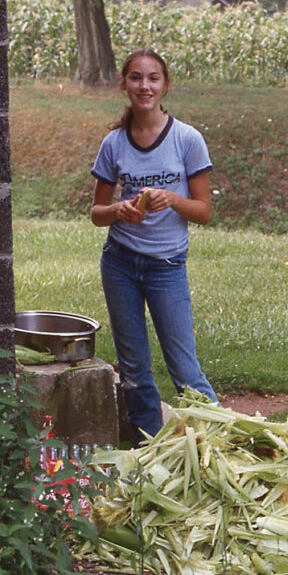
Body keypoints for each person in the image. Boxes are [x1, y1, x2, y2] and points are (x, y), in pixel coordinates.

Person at [89, 49, 217, 444]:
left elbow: (204, 211)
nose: (145, 86)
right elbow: (96, 212)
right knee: (133, 367)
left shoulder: (186, 139)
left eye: (153, 78)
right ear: (124, 83)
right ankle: (149, 445)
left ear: (165, 85)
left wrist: (171, 198)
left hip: (166, 266)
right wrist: (119, 210)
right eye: (136, 78)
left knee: (184, 366)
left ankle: (218, 439)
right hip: (120, 264)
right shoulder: (113, 143)